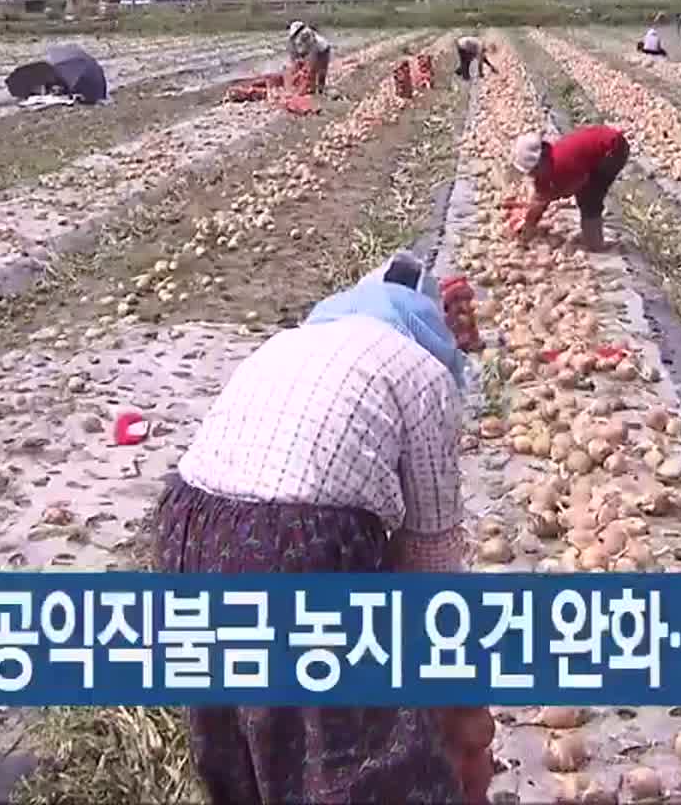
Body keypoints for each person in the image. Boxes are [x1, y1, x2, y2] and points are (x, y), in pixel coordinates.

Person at [155, 252, 494, 804]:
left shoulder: (286, 343)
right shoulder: (421, 371)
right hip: (296, 542)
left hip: (188, 527)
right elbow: (431, 559)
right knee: (356, 755)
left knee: (243, 736)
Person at [509, 125, 630, 252]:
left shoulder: (562, 164)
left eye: (532, 171)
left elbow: (578, 183)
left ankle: (596, 244)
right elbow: (540, 199)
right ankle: (590, 233)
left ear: (540, 161)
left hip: (614, 149)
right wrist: (529, 222)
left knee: (589, 198)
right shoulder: (549, 162)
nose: (531, 176)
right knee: (584, 194)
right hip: (601, 139)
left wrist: (555, 195)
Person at [288, 20, 332, 95]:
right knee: (312, 71)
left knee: (318, 70)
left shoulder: (307, 33)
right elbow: (295, 52)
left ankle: (319, 90)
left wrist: (308, 64)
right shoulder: (298, 37)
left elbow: (312, 50)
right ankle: (312, 89)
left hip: (323, 50)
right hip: (314, 50)